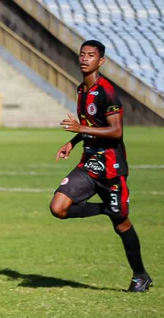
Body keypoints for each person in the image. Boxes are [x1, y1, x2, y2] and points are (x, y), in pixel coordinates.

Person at [52, 40, 150, 292]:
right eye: (82, 54)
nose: (85, 59)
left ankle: (140, 275)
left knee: (122, 223)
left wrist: (80, 129)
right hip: (89, 163)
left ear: (101, 61)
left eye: (91, 55)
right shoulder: (81, 89)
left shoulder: (107, 91)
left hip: (111, 167)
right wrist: (73, 142)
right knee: (58, 208)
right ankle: (106, 209)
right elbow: (90, 123)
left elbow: (116, 131)